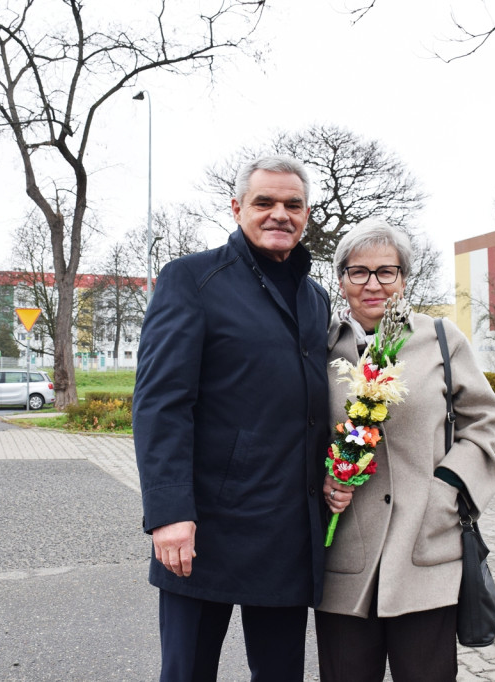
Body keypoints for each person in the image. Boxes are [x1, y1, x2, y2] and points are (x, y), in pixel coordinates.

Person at [133, 156, 331, 682]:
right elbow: (161, 403)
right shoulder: (192, 280)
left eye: (292, 204)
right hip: (203, 532)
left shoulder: (316, 298)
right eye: (264, 202)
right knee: (188, 672)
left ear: (306, 213)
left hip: (287, 531)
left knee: (281, 673)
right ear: (237, 206)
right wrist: (169, 512)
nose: (279, 214)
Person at [317, 218, 495, 682]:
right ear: (341, 280)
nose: (373, 284)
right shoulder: (318, 349)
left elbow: (484, 419)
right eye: (358, 272)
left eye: (387, 271)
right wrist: (322, 478)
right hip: (345, 551)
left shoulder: (440, 339)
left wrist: (449, 490)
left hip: (426, 546)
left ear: (404, 278)